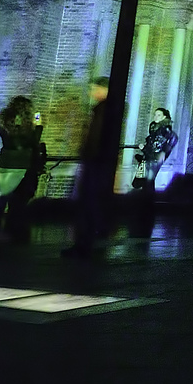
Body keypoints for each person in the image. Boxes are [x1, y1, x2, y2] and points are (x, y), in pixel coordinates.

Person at [64, 75, 112, 258]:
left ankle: (84, 243)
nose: (91, 92)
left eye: (94, 88)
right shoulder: (102, 110)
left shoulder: (102, 110)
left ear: (103, 90)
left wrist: (89, 154)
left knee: (88, 202)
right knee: (89, 203)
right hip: (96, 161)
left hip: (95, 162)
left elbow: (96, 137)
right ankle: (85, 241)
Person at [0, 96, 46, 240]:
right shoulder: (25, 125)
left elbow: (7, 140)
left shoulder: (4, 121)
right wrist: (39, 126)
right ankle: (11, 230)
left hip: (4, 161)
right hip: (19, 163)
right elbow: (32, 141)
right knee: (18, 199)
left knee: (3, 196)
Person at [127, 106, 177, 238]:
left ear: (165, 117)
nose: (155, 117)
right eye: (155, 114)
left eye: (158, 115)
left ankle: (147, 209)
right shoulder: (155, 128)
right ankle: (146, 208)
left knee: (148, 181)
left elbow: (172, 139)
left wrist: (163, 152)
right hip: (149, 157)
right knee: (146, 181)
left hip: (153, 159)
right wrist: (145, 149)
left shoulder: (164, 129)